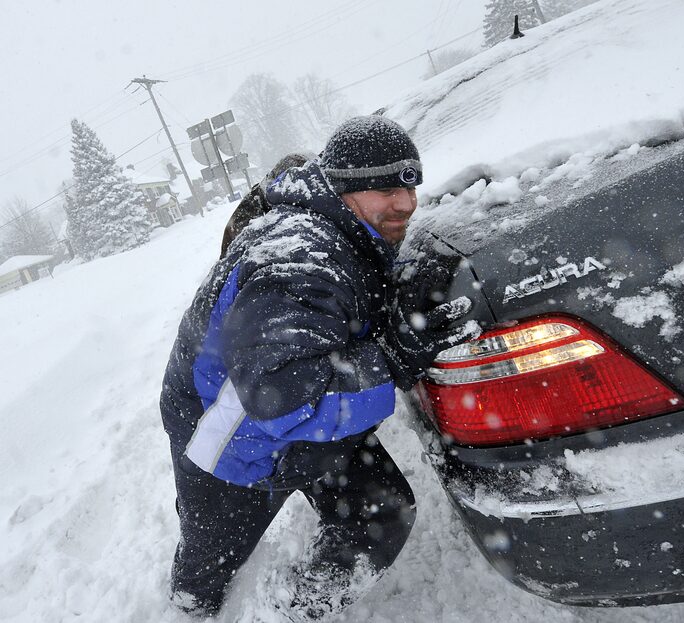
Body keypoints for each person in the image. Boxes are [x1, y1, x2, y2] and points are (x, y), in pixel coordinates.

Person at [159, 115, 481, 619]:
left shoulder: (343, 228)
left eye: (409, 182)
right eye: (383, 187)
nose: (405, 202)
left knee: (382, 514)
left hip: (299, 400)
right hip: (226, 433)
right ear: (345, 189)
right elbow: (284, 399)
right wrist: (393, 356)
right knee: (210, 561)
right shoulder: (299, 265)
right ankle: (188, 603)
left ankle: (301, 610)